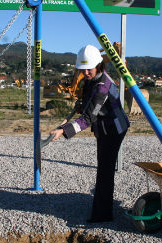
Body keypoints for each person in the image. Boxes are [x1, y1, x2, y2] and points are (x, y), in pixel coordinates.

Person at [50, 44, 129, 223]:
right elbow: (86, 103)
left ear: (99, 65)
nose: (85, 73)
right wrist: (80, 105)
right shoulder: (92, 80)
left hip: (114, 128)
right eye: (83, 69)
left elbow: (87, 118)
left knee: (105, 170)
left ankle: (103, 215)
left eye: (89, 69)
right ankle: (102, 208)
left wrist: (64, 130)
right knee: (103, 166)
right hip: (104, 126)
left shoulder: (102, 86)